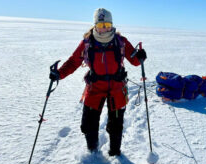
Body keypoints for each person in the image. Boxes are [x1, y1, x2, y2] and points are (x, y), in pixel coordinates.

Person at [49, 8, 146, 156]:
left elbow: (134, 61)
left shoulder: (121, 41)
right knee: (88, 124)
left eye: (106, 24)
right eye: (100, 25)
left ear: (112, 24)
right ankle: (92, 152)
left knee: (116, 125)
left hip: (117, 87)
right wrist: (59, 74)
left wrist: (140, 56)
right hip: (95, 87)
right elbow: (73, 61)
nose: (104, 28)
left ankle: (115, 152)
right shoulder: (87, 43)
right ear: (95, 26)